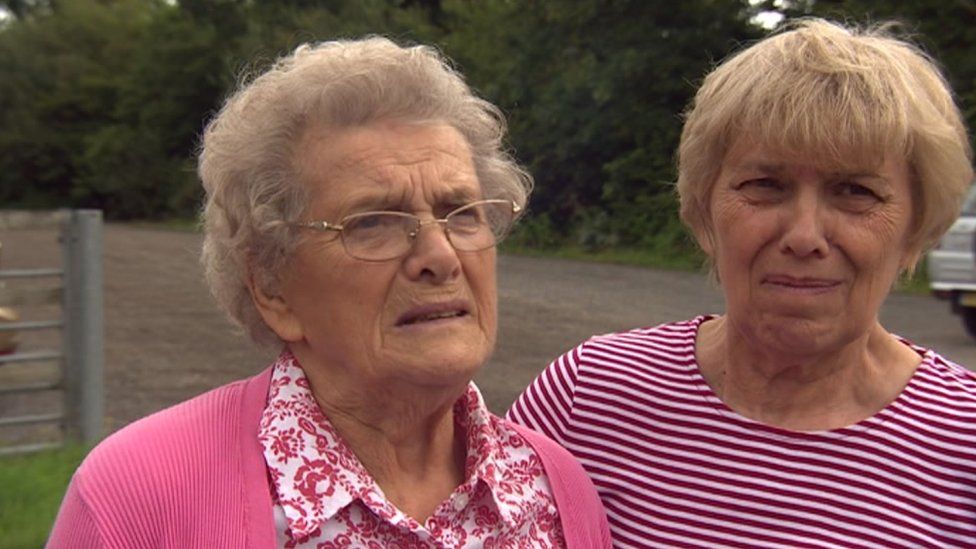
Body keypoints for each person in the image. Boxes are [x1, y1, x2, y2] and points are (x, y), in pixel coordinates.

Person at [47, 37, 611, 548]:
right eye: (372, 223)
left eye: (461, 214)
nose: (440, 257)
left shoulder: (555, 489)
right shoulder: (139, 498)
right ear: (272, 286)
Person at [508, 18, 976, 548]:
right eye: (765, 186)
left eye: (855, 191)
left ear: (916, 226)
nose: (804, 236)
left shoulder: (965, 447)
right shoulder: (587, 398)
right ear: (705, 213)